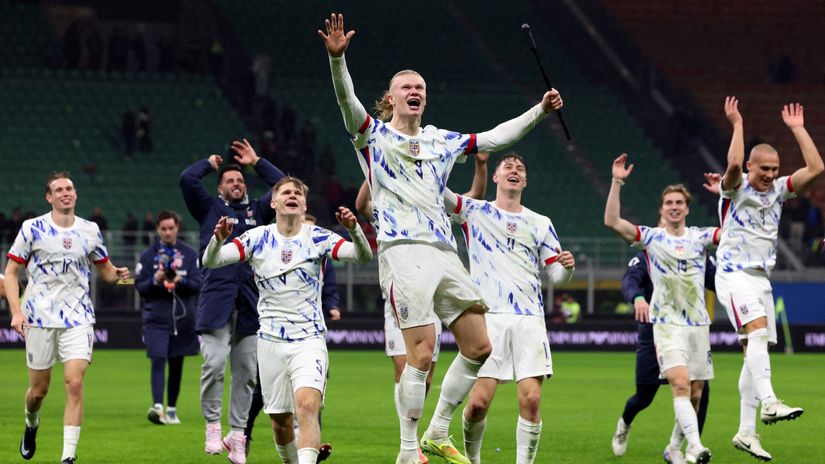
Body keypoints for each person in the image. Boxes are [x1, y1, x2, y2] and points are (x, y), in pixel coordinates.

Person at [319, 14, 563, 464]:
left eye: (421, 89)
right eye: (407, 88)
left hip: (445, 253)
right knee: (424, 352)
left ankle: (436, 430)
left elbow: (493, 136)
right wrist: (338, 61)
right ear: (389, 99)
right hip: (402, 251)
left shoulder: (440, 141)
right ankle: (408, 451)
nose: (415, 93)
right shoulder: (373, 136)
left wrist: (540, 111)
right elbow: (345, 101)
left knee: (479, 346)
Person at [202, 177, 372, 464]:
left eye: (298, 193)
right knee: (280, 424)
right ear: (274, 202)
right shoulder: (257, 238)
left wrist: (354, 230)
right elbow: (211, 261)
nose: (292, 195)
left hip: (309, 339)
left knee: (307, 407)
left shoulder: (318, 236)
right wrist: (218, 240)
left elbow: (362, 256)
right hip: (269, 342)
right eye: (286, 192)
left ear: (304, 204)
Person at [355, 150, 490, 464]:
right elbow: (363, 205)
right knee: (408, 366)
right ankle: (408, 446)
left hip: (433, 284)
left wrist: (481, 164)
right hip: (402, 282)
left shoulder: (429, 196)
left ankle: (425, 436)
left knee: (426, 372)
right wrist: (377, 165)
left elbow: (472, 199)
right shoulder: (387, 198)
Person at [441, 153, 575, 464]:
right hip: (488, 319)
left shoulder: (541, 223)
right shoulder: (475, 211)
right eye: (508, 168)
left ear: (525, 181)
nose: (514, 171)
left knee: (531, 400)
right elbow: (440, 193)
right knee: (477, 404)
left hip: (529, 319)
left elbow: (556, 275)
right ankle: (473, 460)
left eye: (520, 169)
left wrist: (566, 268)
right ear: (497, 178)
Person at [715, 97, 823, 461]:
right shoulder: (734, 189)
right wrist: (738, 124)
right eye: (764, 169)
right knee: (758, 333)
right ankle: (769, 401)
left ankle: (747, 433)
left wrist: (797, 129)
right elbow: (731, 164)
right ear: (751, 167)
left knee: (753, 352)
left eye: (775, 169)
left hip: (761, 279)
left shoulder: (778, 190)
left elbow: (817, 167)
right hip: (733, 274)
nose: (771, 175)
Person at [5, 171, 130, 464]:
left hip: (78, 317)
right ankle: (31, 423)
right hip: (39, 318)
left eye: (69, 188)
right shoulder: (31, 228)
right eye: (59, 189)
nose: (66, 193)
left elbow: (106, 271)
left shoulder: (90, 230)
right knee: (39, 391)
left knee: (74, 383)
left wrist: (120, 276)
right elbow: (11, 273)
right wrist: (16, 312)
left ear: (75, 194)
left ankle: (68, 457)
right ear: (49, 197)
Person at [604, 154, 718, 464]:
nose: (674, 207)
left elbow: (719, 271)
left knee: (697, 393)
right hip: (657, 327)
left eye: (679, 202)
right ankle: (625, 425)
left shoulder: (699, 242)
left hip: (696, 326)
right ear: (661, 209)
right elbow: (628, 274)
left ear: (687, 208)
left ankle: (677, 449)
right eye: (669, 203)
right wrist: (637, 299)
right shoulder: (649, 243)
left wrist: (727, 197)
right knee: (645, 396)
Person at [179, 138, 285, 462]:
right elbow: (186, 179)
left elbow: (285, 186)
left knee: (247, 374)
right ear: (221, 188)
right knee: (213, 365)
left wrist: (257, 162)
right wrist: (209, 165)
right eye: (230, 181)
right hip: (216, 300)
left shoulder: (259, 212)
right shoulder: (209, 208)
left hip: (252, 302)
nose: (236, 184)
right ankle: (213, 425)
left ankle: (238, 435)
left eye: (240, 180)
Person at [244, 212, 337, 462]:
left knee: (309, 401)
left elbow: (330, 286)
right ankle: (244, 432)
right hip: (273, 338)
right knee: (272, 412)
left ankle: (307, 446)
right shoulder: (270, 248)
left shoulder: (320, 251)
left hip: (308, 336)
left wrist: (333, 304)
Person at [135, 210, 202, 425]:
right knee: (158, 358)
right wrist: (155, 280)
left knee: (176, 363)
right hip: (156, 317)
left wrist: (180, 280)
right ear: (157, 229)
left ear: (177, 228)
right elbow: (140, 287)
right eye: (163, 229)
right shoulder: (147, 256)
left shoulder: (190, 255)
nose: (167, 232)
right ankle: (157, 407)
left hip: (183, 318)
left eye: (170, 228)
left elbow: (198, 285)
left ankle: (171, 408)